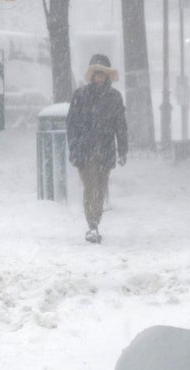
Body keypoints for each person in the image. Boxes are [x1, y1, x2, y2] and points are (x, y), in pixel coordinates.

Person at [67, 54, 128, 245]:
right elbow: (72, 124)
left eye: (102, 74)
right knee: (90, 187)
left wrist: (123, 149)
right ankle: (92, 224)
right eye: (96, 74)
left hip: (105, 149)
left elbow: (121, 125)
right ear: (92, 75)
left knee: (100, 188)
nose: (99, 78)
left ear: (107, 76)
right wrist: (74, 146)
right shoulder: (80, 95)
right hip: (85, 150)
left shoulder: (114, 98)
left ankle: (95, 222)